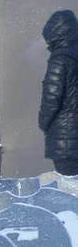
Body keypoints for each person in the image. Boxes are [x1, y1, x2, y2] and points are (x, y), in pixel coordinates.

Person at [39, 9, 78, 176]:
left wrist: (43, 123)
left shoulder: (60, 59)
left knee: (71, 191)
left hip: (66, 139)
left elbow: (51, 98)